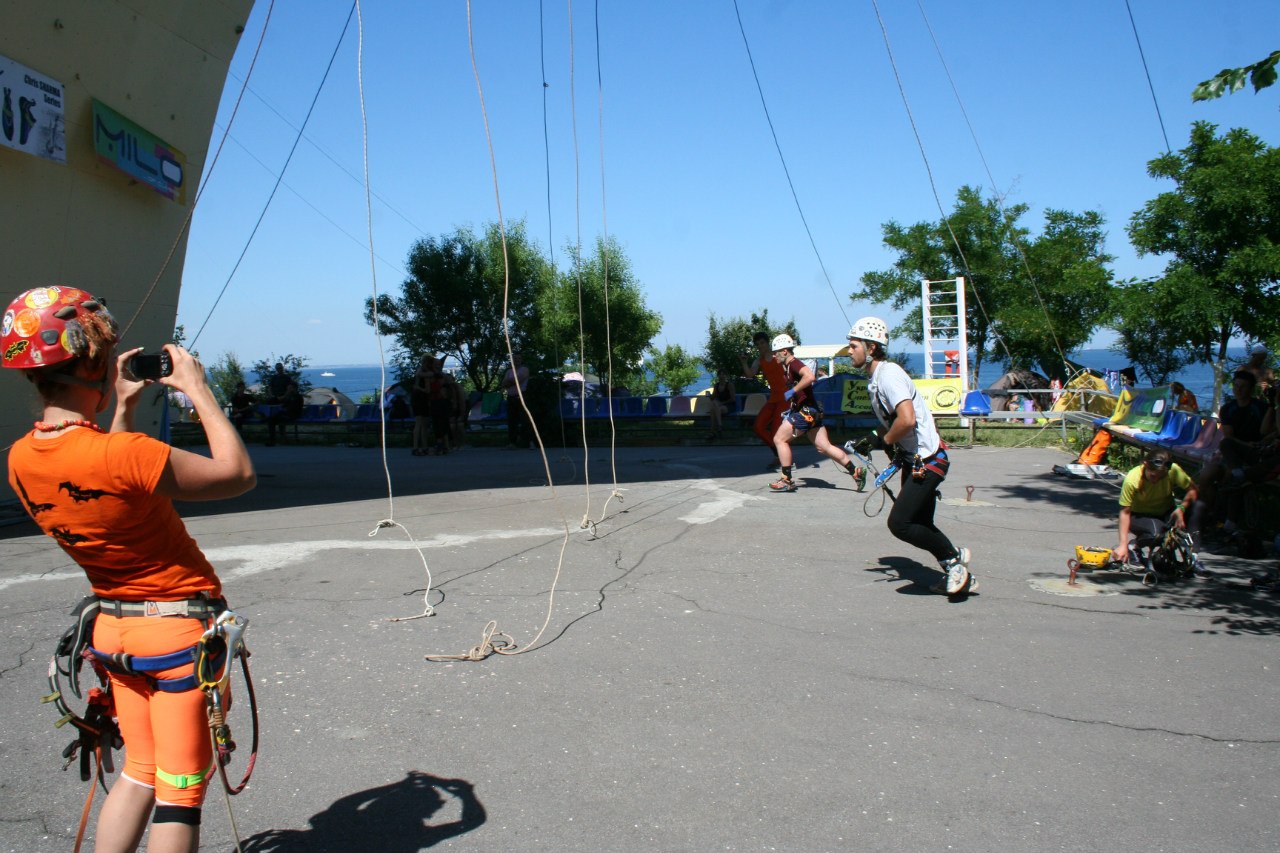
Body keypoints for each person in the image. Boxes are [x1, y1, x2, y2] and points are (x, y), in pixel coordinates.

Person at [2, 285, 256, 853]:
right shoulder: (124, 456)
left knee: (139, 769)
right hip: (174, 631)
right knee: (181, 790)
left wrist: (122, 408)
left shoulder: (21, 459)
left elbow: (105, 479)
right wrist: (197, 388)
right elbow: (237, 473)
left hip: (113, 630)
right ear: (94, 362)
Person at [845, 316, 975, 596]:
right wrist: (879, 441)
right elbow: (894, 421)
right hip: (915, 460)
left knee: (900, 523)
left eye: (854, 345)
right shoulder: (877, 378)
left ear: (872, 348)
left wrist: (882, 440)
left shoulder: (888, 374)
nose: (849, 351)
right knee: (921, 522)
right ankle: (958, 567)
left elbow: (907, 419)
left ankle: (954, 562)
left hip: (928, 461)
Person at [766, 334, 863, 493]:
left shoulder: (794, 364)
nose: (774, 356)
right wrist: (792, 407)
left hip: (807, 412)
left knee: (779, 439)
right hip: (811, 411)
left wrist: (793, 391)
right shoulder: (789, 367)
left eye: (775, 352)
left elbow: (810, 377)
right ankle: (855, 471)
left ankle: (786, 480)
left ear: (784, 351)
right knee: (824, 447)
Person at [1110, 447, 1208, 575]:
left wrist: (1182, 508)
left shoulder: (1173, 470)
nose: (1155, 480)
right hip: (1139, 515)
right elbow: (1125, 512)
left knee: (1199, 505)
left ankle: (1194, 557)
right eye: (1153, 476)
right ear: (1145, 465)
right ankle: (1133, 547)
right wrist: (1122, 544)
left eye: (1161, 477)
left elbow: (1193, 490)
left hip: (1166, 511)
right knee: (1157, 534)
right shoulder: (1132, 479)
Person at [739, 332, 789, 470]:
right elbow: (750, 374)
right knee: (758, 427)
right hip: (773, 398)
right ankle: (777, 454)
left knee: (776, 432)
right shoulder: (758, 360)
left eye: (763, 343)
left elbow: (791, 368)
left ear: (768, 343)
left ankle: (785, 462)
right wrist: (744, 362)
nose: (760, 346)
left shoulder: (777, 356)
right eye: (758, 344)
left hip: (785, 398)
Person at [501, 352, 530, 449]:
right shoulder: (509, 371)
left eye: (518, 359)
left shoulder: (524, 369)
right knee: (512, 421)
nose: (516, 360)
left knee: (524, 420)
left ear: (521, 360)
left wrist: (510, 382)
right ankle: (512, 442)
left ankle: (526, 441)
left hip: (521, 396)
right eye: (515, 359)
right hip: (511, 397)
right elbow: (503, 384)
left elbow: (519, 380)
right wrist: (512, 381)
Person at [410, 355, 434, 456]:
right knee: (421, 424)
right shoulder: (425, 374)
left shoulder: (420, 372)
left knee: (420, 423)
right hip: (422, 399)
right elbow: (428, 390)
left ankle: (421, 446)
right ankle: (420, 447)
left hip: (416, 398)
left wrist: (416, 387)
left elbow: (418, 375)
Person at [265, 380, 302, 446]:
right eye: (288, 388)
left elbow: (295, 408)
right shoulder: (289, 396)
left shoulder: (298, 397)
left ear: (294, 388)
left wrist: (285, 409)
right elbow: (283, 404)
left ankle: (274, 440)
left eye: (290, 388)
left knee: (274, 419)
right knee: (271, 419)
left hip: (293, 415)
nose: (288, 390)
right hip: (285, 414)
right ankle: (272, 440)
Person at [706, 369, 736, 441]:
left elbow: (733, 399)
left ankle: (712, 432)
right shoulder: (716, 386)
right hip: (719, 407)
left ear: (726, 376)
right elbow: (713, 397)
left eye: (723, 374)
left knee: (714, 409)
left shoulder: (729, 385)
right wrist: (710, 396)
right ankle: (719, 427)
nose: (721, 376)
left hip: (729, 405)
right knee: (715, 408)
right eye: (720, 374)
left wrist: (721, 403)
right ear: (718, 376)